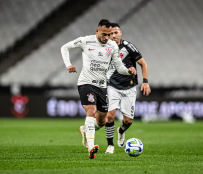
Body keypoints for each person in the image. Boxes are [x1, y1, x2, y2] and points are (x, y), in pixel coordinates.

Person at [60, 19, 137, 159]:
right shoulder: (86, 41)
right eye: (104, 34)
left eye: (108, 34)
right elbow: (64, 47)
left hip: (102, 86)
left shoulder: (112, 45)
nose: (106, 37)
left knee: (102, 120)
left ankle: (85, 130)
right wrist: (68, 65)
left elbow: (119, 67)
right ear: (97, 31)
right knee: (91, 111)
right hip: (86, 83)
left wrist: (128, 71)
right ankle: (91, 146)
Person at [105, 23, 151, 154]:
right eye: (111, 33)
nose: (113, 35)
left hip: (129, 87)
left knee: (128, 121)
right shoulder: (105, 48)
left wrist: (145, 82)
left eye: (116, 32)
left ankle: (121, 131)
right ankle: (110, 145)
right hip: (112, 86)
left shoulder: (128, 47)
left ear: (120, 33)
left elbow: (143, 63)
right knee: (110, 116)